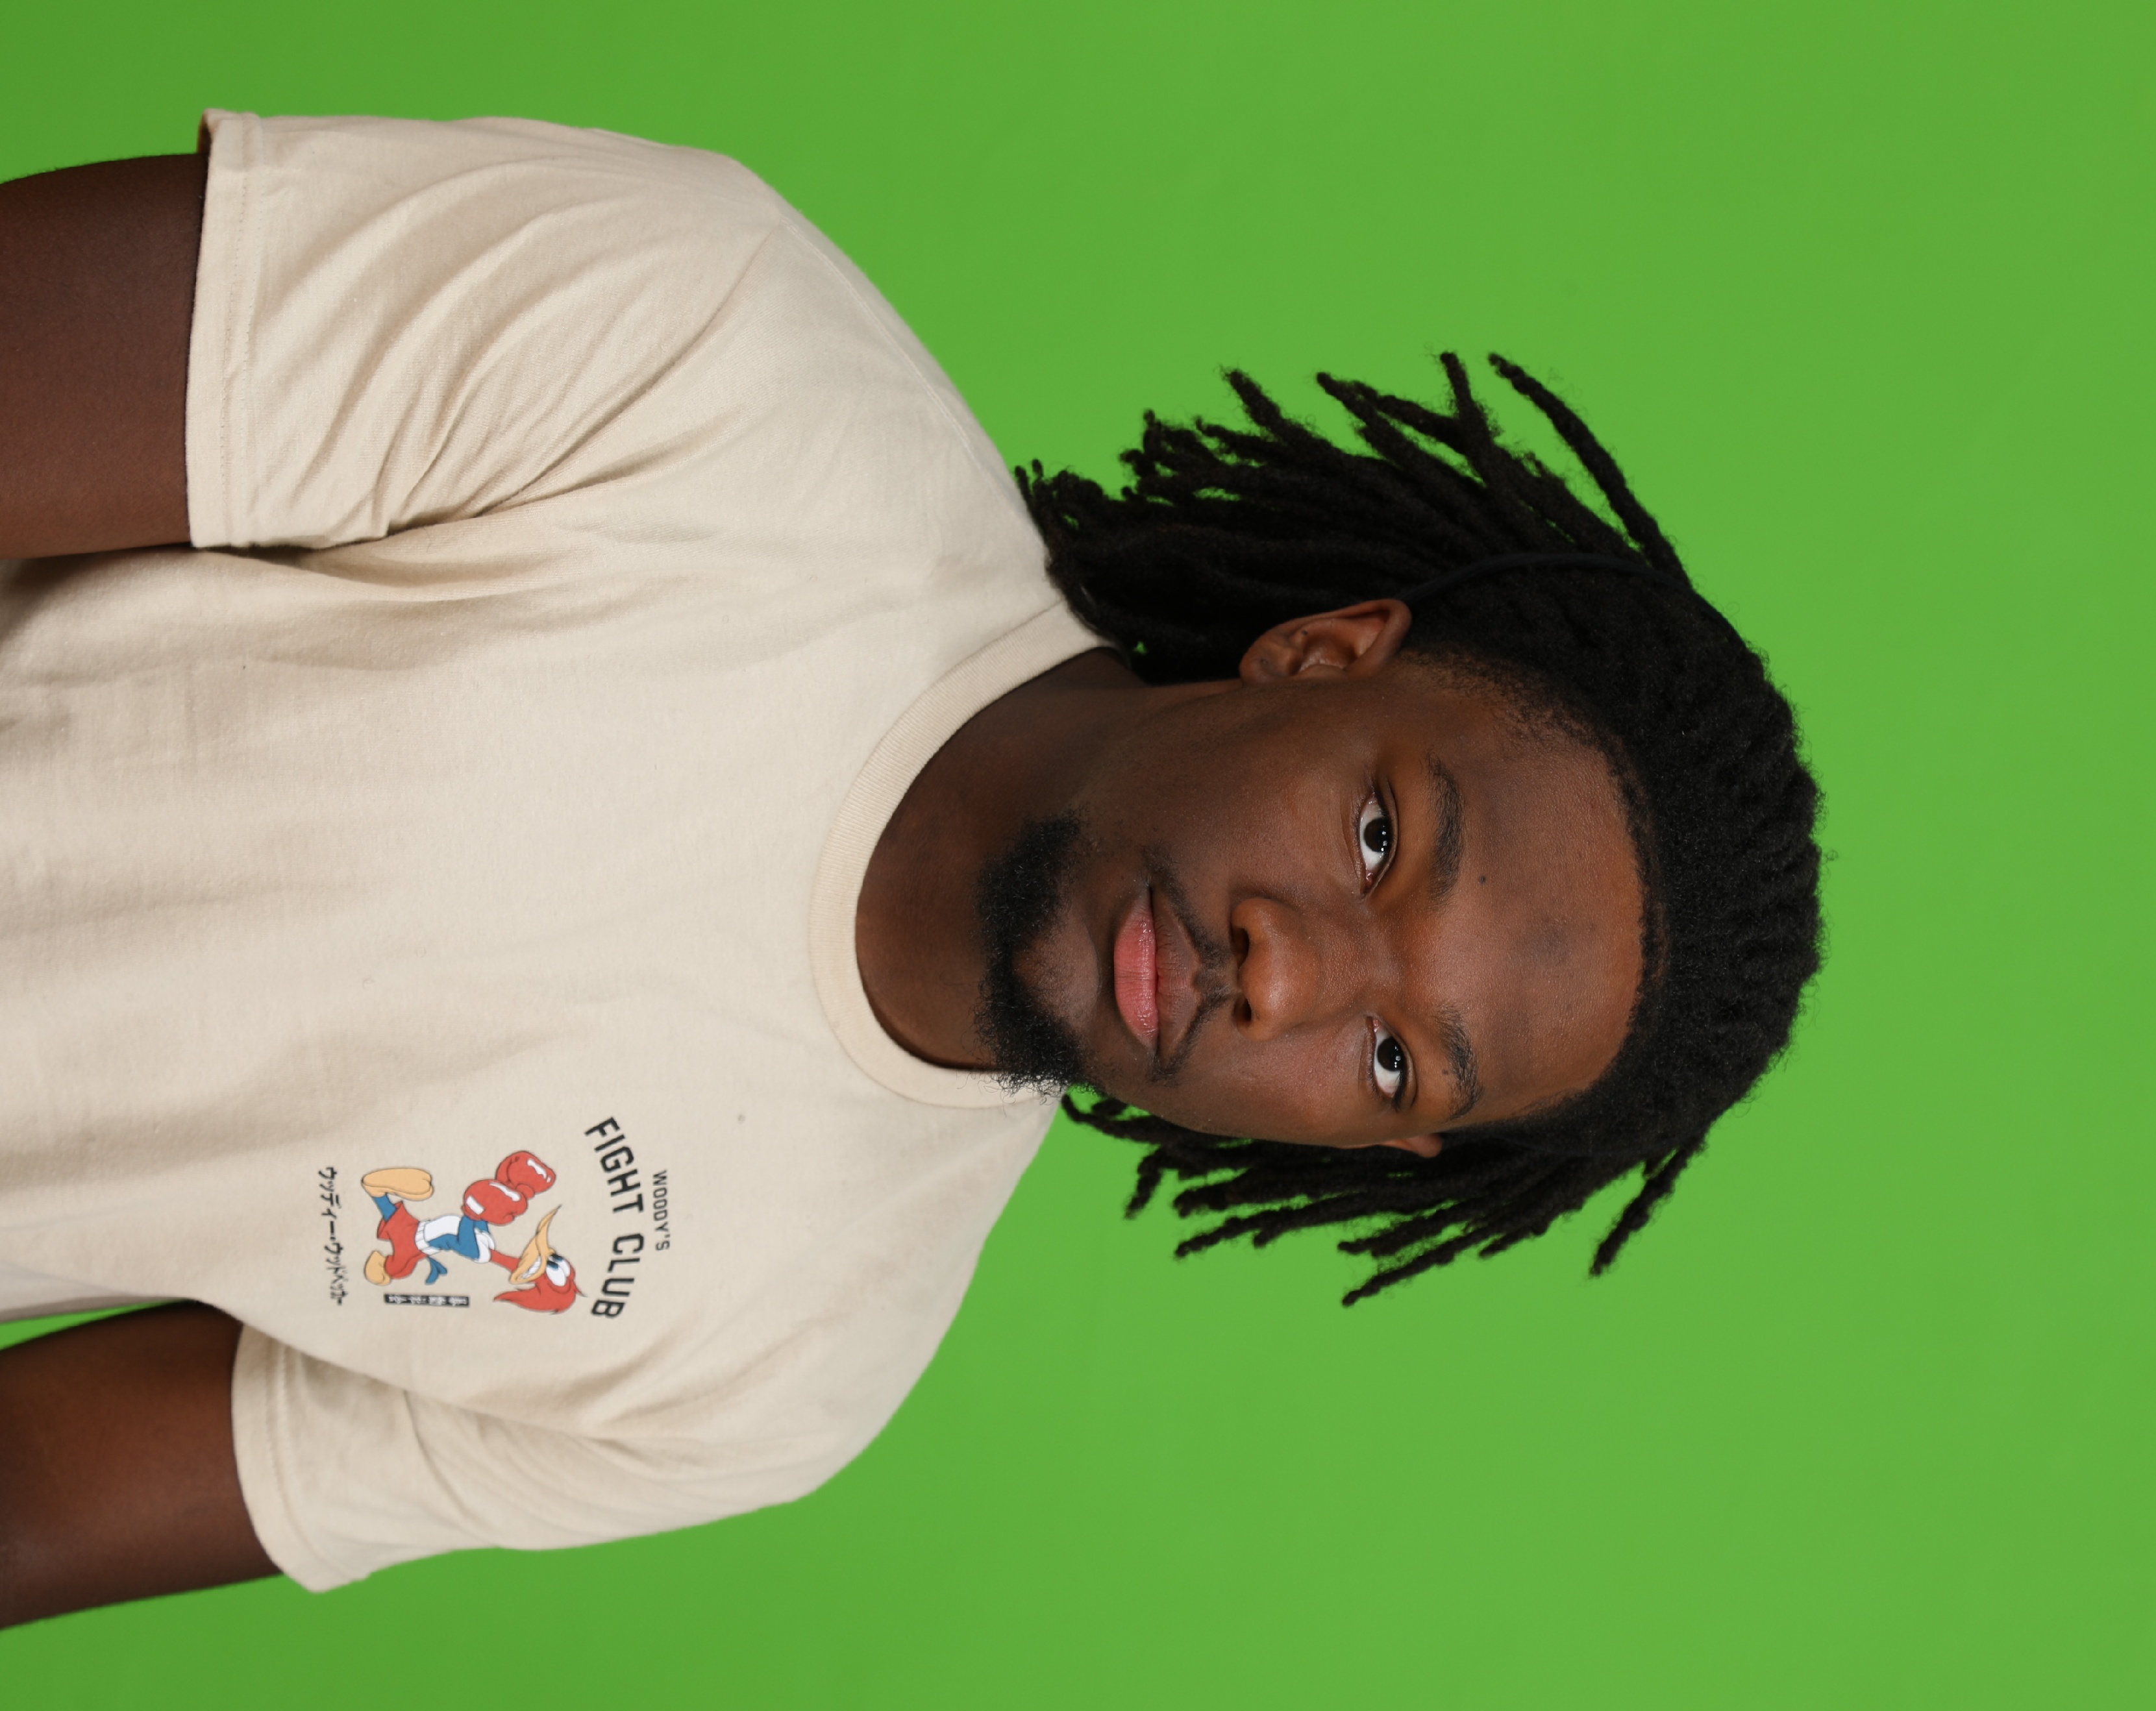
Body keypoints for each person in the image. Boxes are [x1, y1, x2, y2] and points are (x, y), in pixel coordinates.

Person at [0, 112, 1821, 1627]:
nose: (1291, 980)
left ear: (1368, 1149)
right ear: (1324, 654)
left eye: (1395, 1061)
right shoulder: (716, 358)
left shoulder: (787, 1362)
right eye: (1379, 841)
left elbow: (39, 1502)